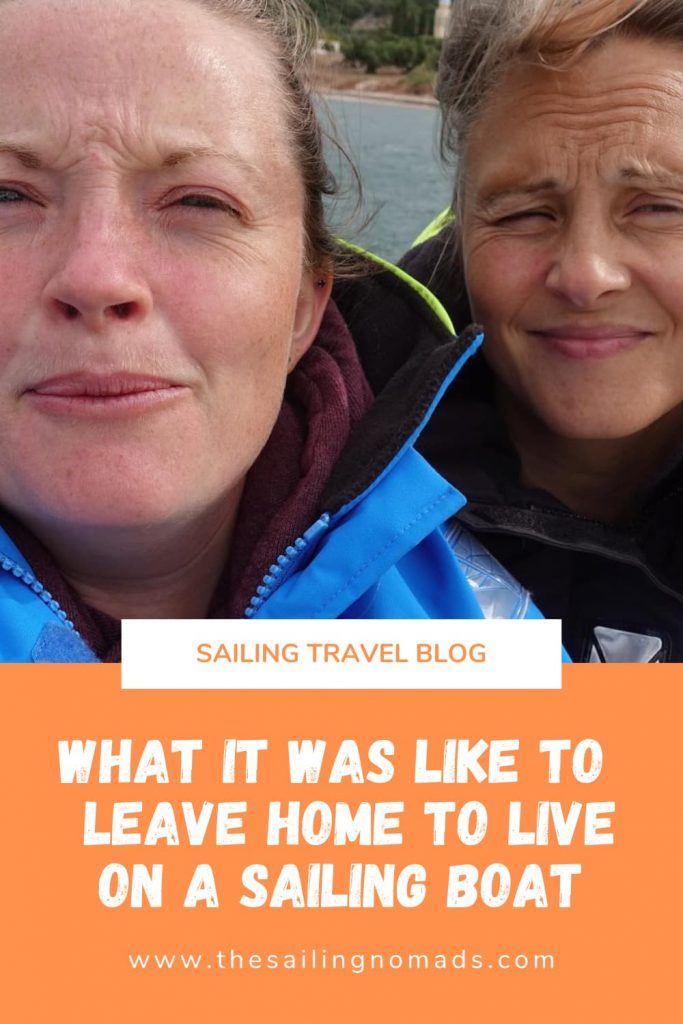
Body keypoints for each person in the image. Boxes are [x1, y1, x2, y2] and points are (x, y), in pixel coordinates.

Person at [0, 0, 543, 663]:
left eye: (199, 201)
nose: (97, 277)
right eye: (8, 196)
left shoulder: (488, 651)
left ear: (302, 309)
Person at [402, 0, 683, 662]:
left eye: (659, 207)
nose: (586, 275)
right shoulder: (299, 484)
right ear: (460, 222)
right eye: (525, 213)